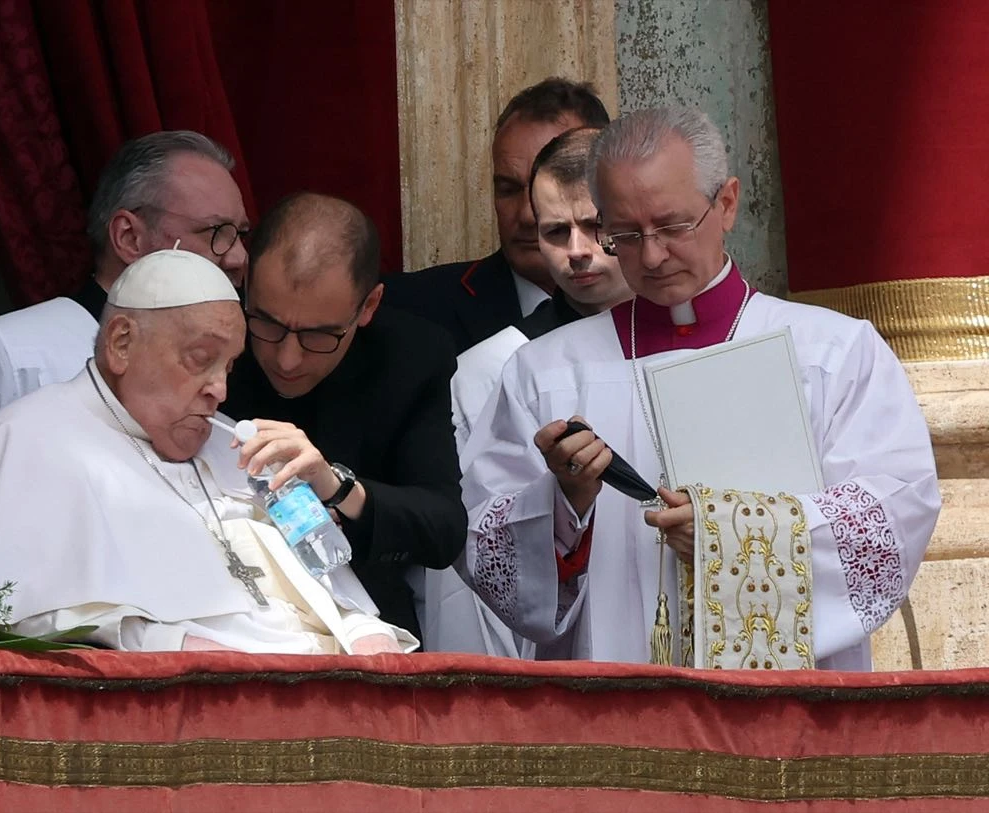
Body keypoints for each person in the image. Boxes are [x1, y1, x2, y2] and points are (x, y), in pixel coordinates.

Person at [459, 106, 940, 669]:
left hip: (783, 711)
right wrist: (565, 503)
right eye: (626, 235)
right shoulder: (545, 372)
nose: (654, 255)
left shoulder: (833, 352)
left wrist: (732, 540)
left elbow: (891, 518)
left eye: (671, 226)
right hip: (613, 702)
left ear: (727, 202)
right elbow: (485, 548)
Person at [0, 250, 415, 655]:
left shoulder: (237, 447)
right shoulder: (23, 442)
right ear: (121, 343)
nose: (220, 390)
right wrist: (173, 643)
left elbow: (332, 588)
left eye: (229, 367)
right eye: (201, 360)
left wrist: (359, 631)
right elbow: (33, 622)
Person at [0, 131, 251, 504]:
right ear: (129, 237)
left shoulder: (233, 372)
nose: (238, 259)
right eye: (217, 233)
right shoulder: (13, 353)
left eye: (242, 235)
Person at [222, 192, 466, 642]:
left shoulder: (411, 357)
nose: (288, 359)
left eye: (320, 335)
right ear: (245, 286)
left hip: (362, 627)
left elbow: (444, 528)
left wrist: (336, 487)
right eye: (267, 323)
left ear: (369, 306)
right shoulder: (213, 337)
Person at [427, 126, 632, 657]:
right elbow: (475, 561)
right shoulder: (494, 369)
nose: (578, 252)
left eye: (594, 226)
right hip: (567, 656)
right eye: (556, 233)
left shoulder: (703, 342)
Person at [382, 78, 611, 353]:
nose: (528, 215)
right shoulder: (411, 309)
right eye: (508, 189)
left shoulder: (663, 304)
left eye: (559, 189)